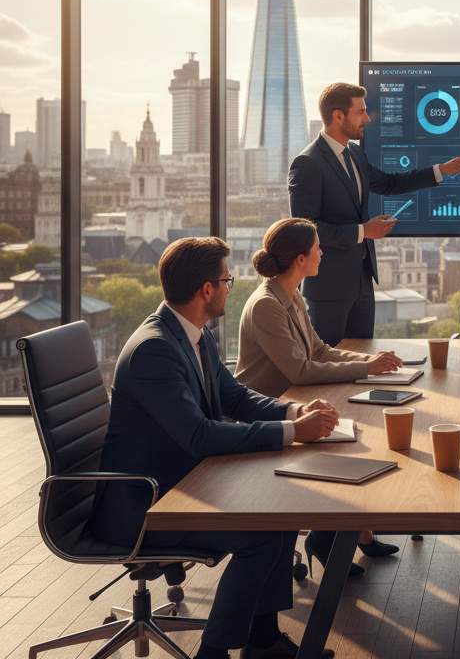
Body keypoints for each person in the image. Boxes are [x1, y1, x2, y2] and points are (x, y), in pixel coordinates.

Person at [90, 237, 340, 659]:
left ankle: (261, 642)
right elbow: (200, 436)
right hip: (146, 504)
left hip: (183, 482)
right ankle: (213, 653)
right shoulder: (155, 349)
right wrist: (294, 432)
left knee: (277, 519)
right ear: (206, 289)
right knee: (258, 538)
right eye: (227, 279)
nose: (230, 287)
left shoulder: (193, 333)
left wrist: (296, 410)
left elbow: (237, 397)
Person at [234, 217, 403, 573]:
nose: (322, 253)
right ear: (300, 258)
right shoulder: (266, 304)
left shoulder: (291, 295)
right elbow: (300, 369)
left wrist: (369, 360)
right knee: (354, 443)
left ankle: (353, 533)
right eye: (317, 248)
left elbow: (320, 350)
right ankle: (331, 538)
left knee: (359, 432)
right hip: (270, 410)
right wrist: (367, 369)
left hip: (295, 398)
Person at [288, 82, 460, 345]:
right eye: (360, 112)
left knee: (363, 359)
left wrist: (441, 170)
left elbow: (390, 183)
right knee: (326, 365)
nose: (367, 118)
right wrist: (365, 231)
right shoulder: (307, 163)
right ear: (338, 116)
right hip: (328, 287)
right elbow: (306, 228)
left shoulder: (355, 153)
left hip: (362, 282)